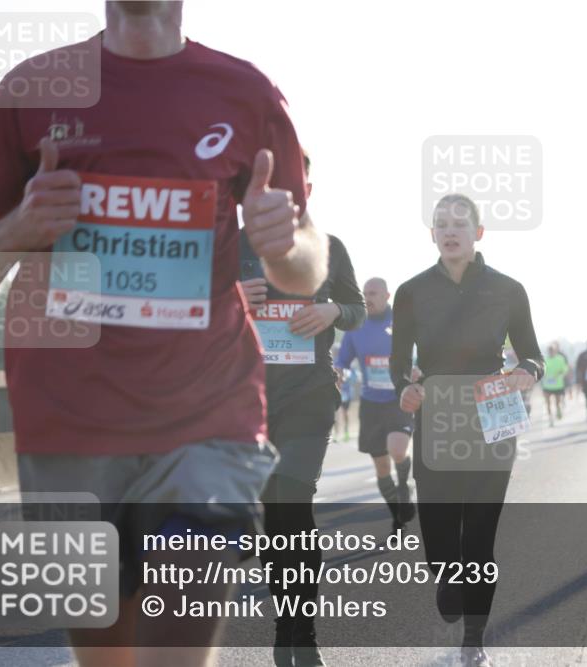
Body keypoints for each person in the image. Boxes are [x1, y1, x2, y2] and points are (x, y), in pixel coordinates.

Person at [0, 3, 326, 665]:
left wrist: (285, 242)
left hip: (209, 420)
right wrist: (16, 230)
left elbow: (304, 262)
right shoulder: (31, 90)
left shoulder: (246, 92)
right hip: (66, 428)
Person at [391, 194, 542, 667]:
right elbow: (399, 364)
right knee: (438, 537)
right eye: (441, 224)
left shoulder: (509, 289)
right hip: (436, 419)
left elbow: (532, 354)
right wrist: (406, 387)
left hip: (492, 419)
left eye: (460, 223)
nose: (450, 230)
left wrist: (526, 374)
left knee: (479, 538)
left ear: (478, 232)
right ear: (431, 234)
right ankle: (443, 572)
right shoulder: (411, 291)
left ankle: (473, 641)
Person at [240, 149, 365, 667]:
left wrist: (334, 309)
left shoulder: (330, 248)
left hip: (310, 399)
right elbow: (188, 316)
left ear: (306, 190)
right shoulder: (227, 249)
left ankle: (302, 635)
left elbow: (357, 310)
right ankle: (285, 625)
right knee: (277, 520)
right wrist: (229, 298)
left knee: (294, 504)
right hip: (248, 403)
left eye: (295, 184)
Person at [336, 277, 416, 534]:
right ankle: (397, 518)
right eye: (364, 293)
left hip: (398, 399)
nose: (367, 298)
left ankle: (404, 486)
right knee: (381, 466)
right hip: (370, 404)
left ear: (387, 296)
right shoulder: (355, 327)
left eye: (373, 293)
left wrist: (418, 371)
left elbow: (423, 351)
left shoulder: (402, 323)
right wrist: (338, 373)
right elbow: (342, 362)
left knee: (397, 450)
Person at [541, 343, 568, 426]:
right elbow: (541, 370)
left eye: (552, 350)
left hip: (558, 385)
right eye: (549, 351)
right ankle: (550, 419)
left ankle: (558, 410)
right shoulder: (544, 360)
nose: (551, 352)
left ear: (555, 351)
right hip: (547, 385)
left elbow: (565, 369)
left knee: (557, 402)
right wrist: (543, 375)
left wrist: (560, 374)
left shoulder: (560, 359)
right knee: (548, 402)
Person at [334, 362, 356, 441]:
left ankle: (346, 432)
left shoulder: (350, 367)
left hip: (347, 394)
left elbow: (354, 379)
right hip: (337, 393)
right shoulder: (334, 363)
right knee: (336, 414)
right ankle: (336, 434)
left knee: (345, 413)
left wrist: (346, 378)